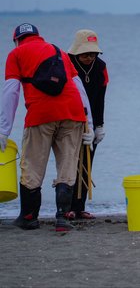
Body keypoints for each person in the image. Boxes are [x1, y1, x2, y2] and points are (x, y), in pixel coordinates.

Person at [0, 23, 94, 232]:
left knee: (32, 166)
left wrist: (3, 130)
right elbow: (78, 86)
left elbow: (11, 92)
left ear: (16, 39)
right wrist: (90, 125)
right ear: (38, 36)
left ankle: (29, 217)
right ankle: (62, 217)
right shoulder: (58, 50)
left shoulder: (16, 54)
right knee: (67, 166)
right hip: (74, 114)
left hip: (41, 115)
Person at [66, 29, 109, 220]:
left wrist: (99, 126)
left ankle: (80, 206)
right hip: (70, 120)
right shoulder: (66, 63)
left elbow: (100, 98)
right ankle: (67, 207)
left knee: (86, 163)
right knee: (69, 163)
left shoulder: (100, 67)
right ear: (76, 51)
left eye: (92, 53)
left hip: (91, 123)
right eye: (85, 54)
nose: (89, 57)